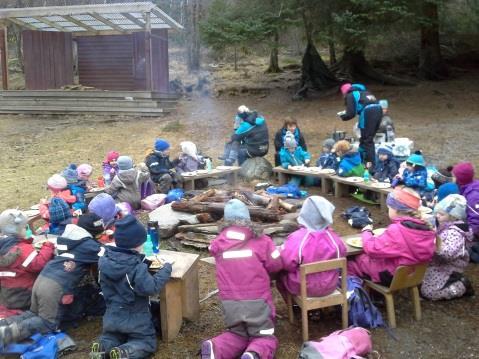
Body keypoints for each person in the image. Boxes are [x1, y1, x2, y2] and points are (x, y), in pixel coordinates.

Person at [0, 213, 104, 348]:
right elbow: (106, 254)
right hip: (54, 288)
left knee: (33, 314)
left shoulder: (67, 239)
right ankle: (7, 334)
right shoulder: (88, 245)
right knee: (47, 322)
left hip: (41, 281)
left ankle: (4, 324)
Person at [200, 199, 283, 359]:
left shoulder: (218, 243)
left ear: (226, 220)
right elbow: (276, 264)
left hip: (230, 302)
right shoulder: (262, 241)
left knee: (238, 334)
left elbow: (212, 249)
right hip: (258, 301)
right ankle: (254, 354)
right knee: (263, 336)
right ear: (247, 218)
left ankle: (215, 348)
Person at [91, 215, 172, 359]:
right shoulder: (136, 267)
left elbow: (121, 277)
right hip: (136, 318)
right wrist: (166, 269)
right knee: (145, 342)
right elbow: (151, 288)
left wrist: (143, 262)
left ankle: (102, 347)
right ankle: (125, 353)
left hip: (112, 316)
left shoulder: (104, 261)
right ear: (138, 244)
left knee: (112, 337)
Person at [348, 186, 436, 285]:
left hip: (390, 276)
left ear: (396, 209)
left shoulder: (397, 230)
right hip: (413, 275)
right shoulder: (427, 229)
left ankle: (357, 293)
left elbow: (372, 249)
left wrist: (366, 232)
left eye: (389, 208)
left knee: (352, 262)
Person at [277, 196, 346, 300]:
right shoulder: (334, 238)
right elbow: (342, 253)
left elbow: (287, 264)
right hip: (330, 285)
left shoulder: (298, 238)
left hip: (304, 288)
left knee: (280, 276)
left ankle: (294, 306)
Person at [421, 194, 474, 300]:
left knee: (428, 292)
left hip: (449, 267)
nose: (437, 216)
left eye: (441, 214)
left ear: (453, 216)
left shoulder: (455, 233)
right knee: (418, 279)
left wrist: (434, 242)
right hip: (437, 263)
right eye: (437, 213)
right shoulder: (445, 225)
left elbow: (448, 254)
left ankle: (461, 285)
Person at [0, 209, 54, 311]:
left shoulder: (4, 247)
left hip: (8, 297)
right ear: (18, 230)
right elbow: (38, 264)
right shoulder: (22, 249)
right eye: (26, 227)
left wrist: (27, 240)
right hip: (26, 297)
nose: (28, 229)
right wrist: (48, 246)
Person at [338, 83, 382, 168]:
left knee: (366, 141)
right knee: (368, 139)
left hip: (368, 112)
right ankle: (366, 162)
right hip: (379, 110)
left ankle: (370, 167)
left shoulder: (351, 95)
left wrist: (343, 116)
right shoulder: (366, 93)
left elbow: (351, 113)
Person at [452, 162, 479, 240]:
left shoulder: (473, 196)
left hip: (474, 232)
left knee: (450, 227)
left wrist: (469, 236)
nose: (452, 178)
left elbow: (476, 221)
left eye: (454, 176)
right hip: (470, 224)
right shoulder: (468, 187)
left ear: (460, 178)